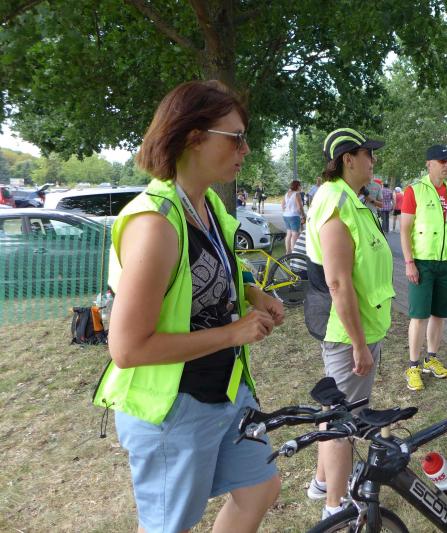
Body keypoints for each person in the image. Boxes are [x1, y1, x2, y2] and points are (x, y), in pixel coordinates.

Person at [92, 80, 283, 532]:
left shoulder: (207, 204)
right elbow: (127, 349)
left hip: (226, 389)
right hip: (174, 407)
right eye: (236, 138)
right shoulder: (155, 224)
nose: (246, 149)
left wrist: (251, 291)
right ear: (194, 136)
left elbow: (213, 267)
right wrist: (233, 333)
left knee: (260, 488)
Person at [304, 127, 394, 519]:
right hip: (348, 332)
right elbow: (338, 282)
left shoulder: (348, 200)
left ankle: (322, 482)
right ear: (348, 159)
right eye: (367, 154)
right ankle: (335, 508)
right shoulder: (336, 204)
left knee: (335, 410)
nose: (373, 160)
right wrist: (358, 343)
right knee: (345, 420)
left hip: (358, 325)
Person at [400, 144, 447, 391]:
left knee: (440, 314)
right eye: (441, 161)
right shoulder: (414, 191)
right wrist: (409, 262)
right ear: (429, 164)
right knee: (419, 315)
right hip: (422, 262)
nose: (446, 164)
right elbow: (404, 230)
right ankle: (413, 366)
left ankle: (432, 359)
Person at [282, 179, 305, 253]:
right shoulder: (296, 194)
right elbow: (300, 207)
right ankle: (293, 253)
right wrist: (303, 216)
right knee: (294, 235)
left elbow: (282, 205)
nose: (301, 187)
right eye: (300, 186)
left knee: (289, 234)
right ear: (297, 186)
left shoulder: (287, 193)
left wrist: (288, 209)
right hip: (294, 216)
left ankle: (287, 252)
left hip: (286, 215)